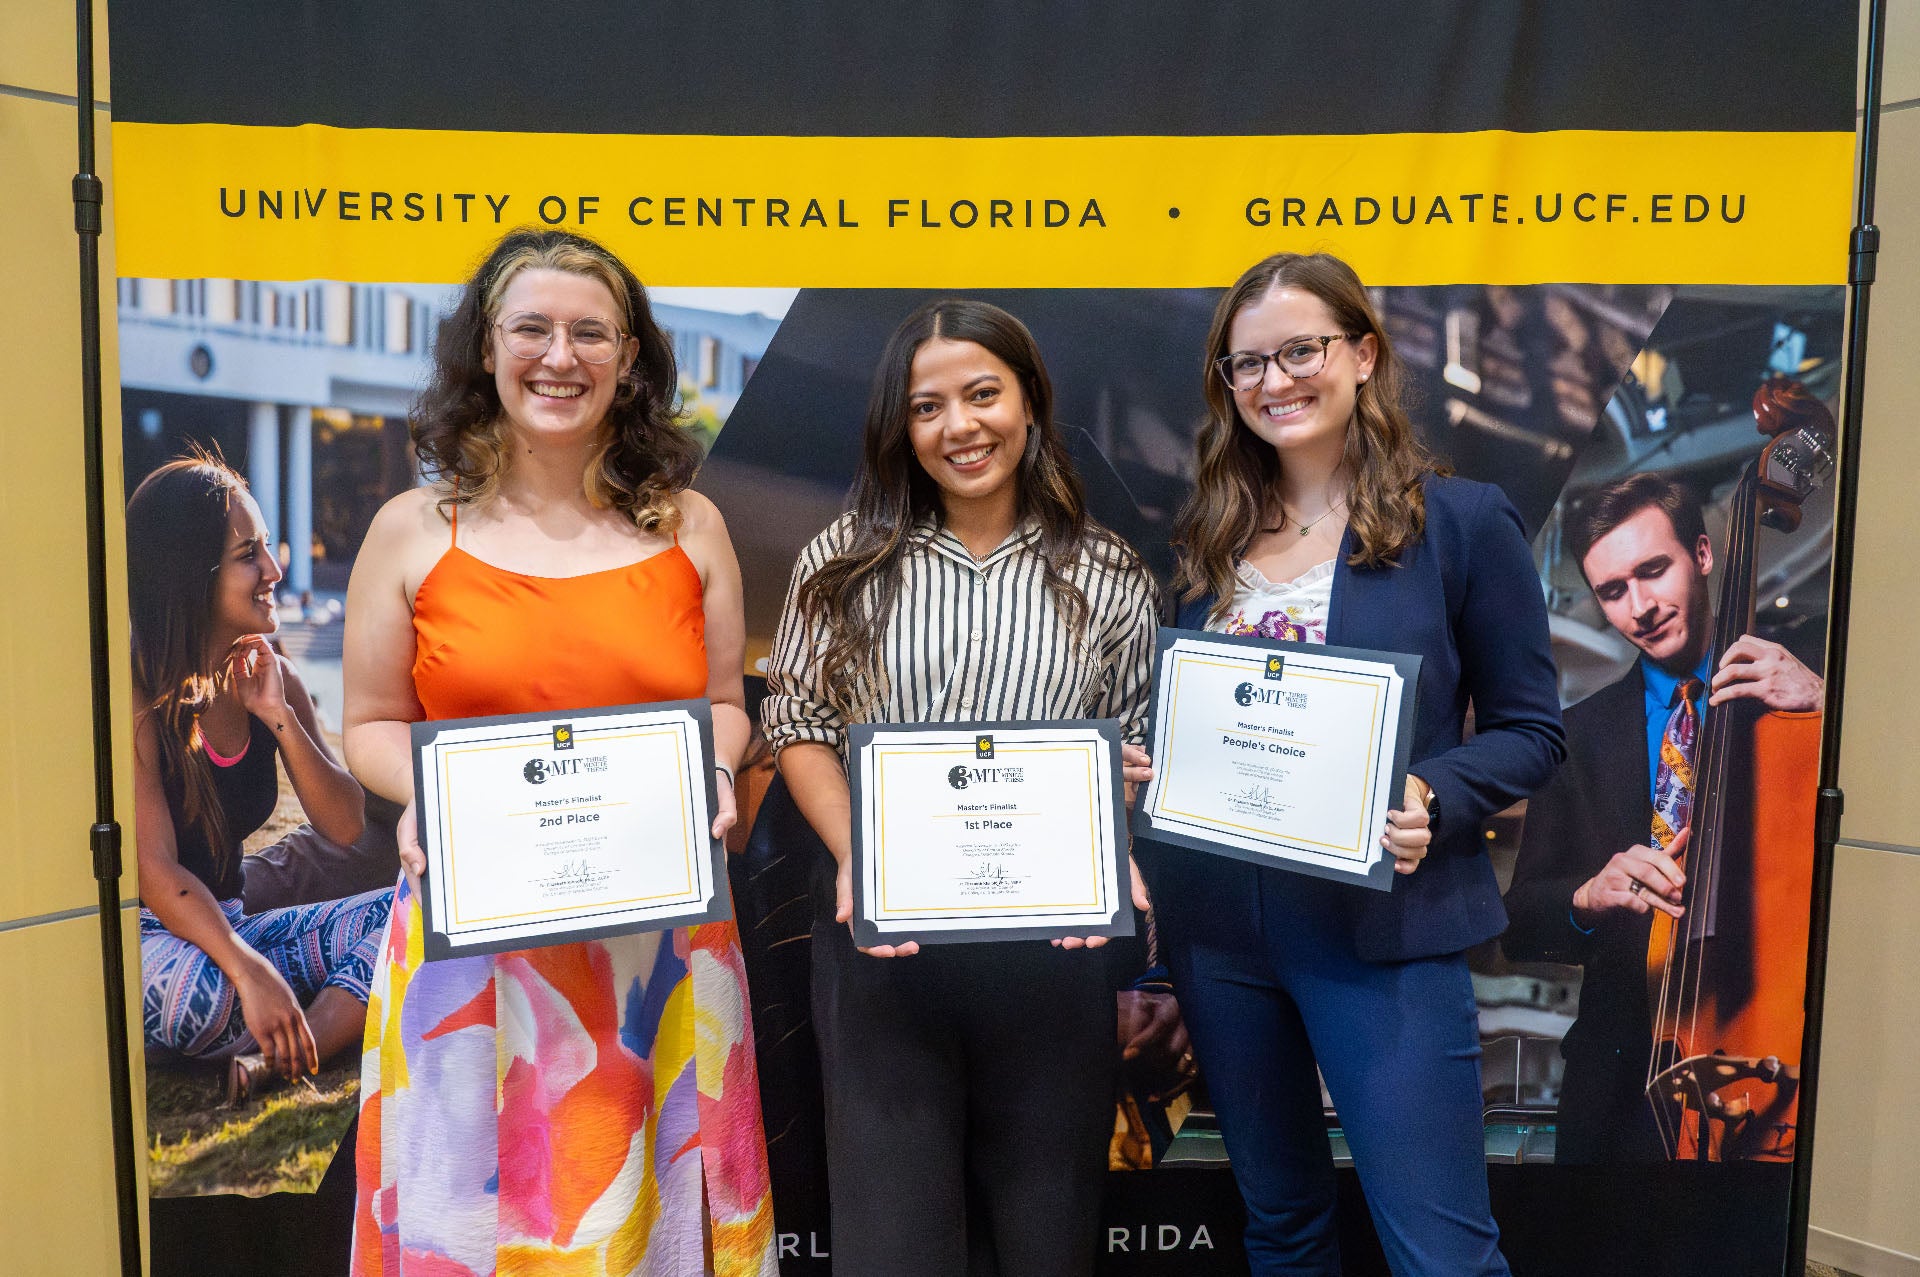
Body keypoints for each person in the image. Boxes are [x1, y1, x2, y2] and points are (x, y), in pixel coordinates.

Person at [341, 228, 776, 1275]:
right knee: (479, 1231)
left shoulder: (692, 525)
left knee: (660, 1227)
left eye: (590, 332)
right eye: (531, 327)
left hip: (659, 950)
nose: (559, 355)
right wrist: (431, 798)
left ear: (629, 358)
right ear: (485, 348)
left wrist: (714, 768)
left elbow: (725, 705)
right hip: (471, 953)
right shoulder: (411, 528)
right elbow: (367, 726)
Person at [1134, 251, 1566, 1276]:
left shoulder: (1460, 522)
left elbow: (1532, 728)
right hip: (1222, 935)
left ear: (1362, 353)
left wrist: (1435, 790)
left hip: (1383, 930)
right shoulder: (1207, 538)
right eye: (1247, 365)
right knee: (1282, 1229)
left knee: (1444, 1252)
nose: (1276, 381)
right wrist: (1157, 765)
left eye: (1301, 350)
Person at [761, 298, 1159, 1276]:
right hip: (882, 942)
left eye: (983, 394)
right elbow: (800, 728)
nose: (960, 425)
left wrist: (1115, 847)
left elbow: (1136, 747)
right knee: (894, 1245)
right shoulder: (842, 565)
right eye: (928, 405)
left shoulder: (1109, 575)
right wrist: (860, 852)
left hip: (1052, 948)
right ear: (901, 426)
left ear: (1029, 404)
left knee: (1047, 1241)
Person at [1502, 472, 1822, 1163]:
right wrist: (1588, 895)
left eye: (1654, 571)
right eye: (1613, 591)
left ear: (1702, 554)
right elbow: (1521, 917)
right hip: (1614, 1084)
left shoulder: (1795, 688)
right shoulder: (1575, 734)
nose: (1639, 606)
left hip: (1760, 1055)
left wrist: (1826, 704)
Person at [128, 454, 392, 1101]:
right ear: (195, 576)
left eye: (269, 548)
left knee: (413, 916)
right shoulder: (135, 694)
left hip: (235, 923)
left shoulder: (273, 674)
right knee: (207, 998)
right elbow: (156, 875)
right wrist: (249, 973)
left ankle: (276, 1056)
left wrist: (277, 715)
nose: (275, 571)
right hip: (155, 945)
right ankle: (274, 1008)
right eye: (251, 554)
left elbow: (346, 825)